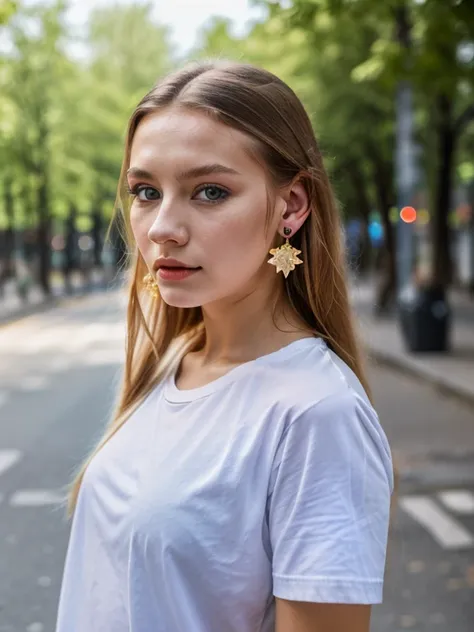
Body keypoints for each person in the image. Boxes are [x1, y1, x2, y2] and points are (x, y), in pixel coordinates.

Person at [56, 61, 393, 632]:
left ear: (291, 207)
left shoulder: (316, 414)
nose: (162, 227)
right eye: (145, 191)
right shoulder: (170, 364)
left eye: (209, 191)